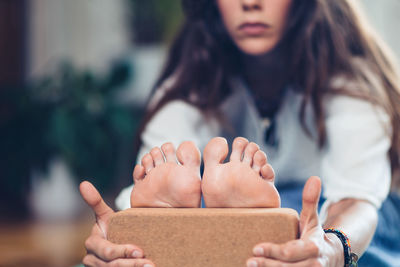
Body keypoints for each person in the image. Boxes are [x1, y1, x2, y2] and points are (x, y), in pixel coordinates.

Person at [79, 0, 400, 266]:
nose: (250, 3)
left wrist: (330, 248)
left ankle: (243, 230)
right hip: (223, 219)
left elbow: (357, 200)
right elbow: (151, 176)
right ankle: (217, 226)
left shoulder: (351, 84)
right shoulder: (190, 87)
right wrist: (119, 235)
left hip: (338, 217)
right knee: (211, 218)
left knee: (347, 230)